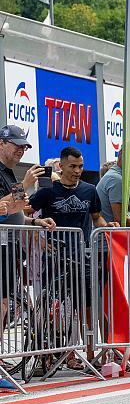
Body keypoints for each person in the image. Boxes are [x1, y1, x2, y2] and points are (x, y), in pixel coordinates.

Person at [28, 146, 117, 369]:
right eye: (73, 166)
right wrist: (38, 236)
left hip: (82, 257)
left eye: (81, 166)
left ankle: (91, 353)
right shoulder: (48, 190)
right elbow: (27, 212)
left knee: (87, 306)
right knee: (50, 309)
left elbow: (97, 219)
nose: (78, 171)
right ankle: (45, 356)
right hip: (55, 257)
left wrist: (109, 226)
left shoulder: (89, 190)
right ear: (61, 165)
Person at [0, 126, 55, 371]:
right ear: (1, 144)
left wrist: (35, 221)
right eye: (16, 145)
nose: (21, 150)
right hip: (2, 245)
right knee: (1, 305)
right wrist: (24, 183)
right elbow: (1, 208)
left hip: (10, 245)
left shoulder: (9, 173)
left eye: (24, 146)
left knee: (2, 305)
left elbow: (17, 209)